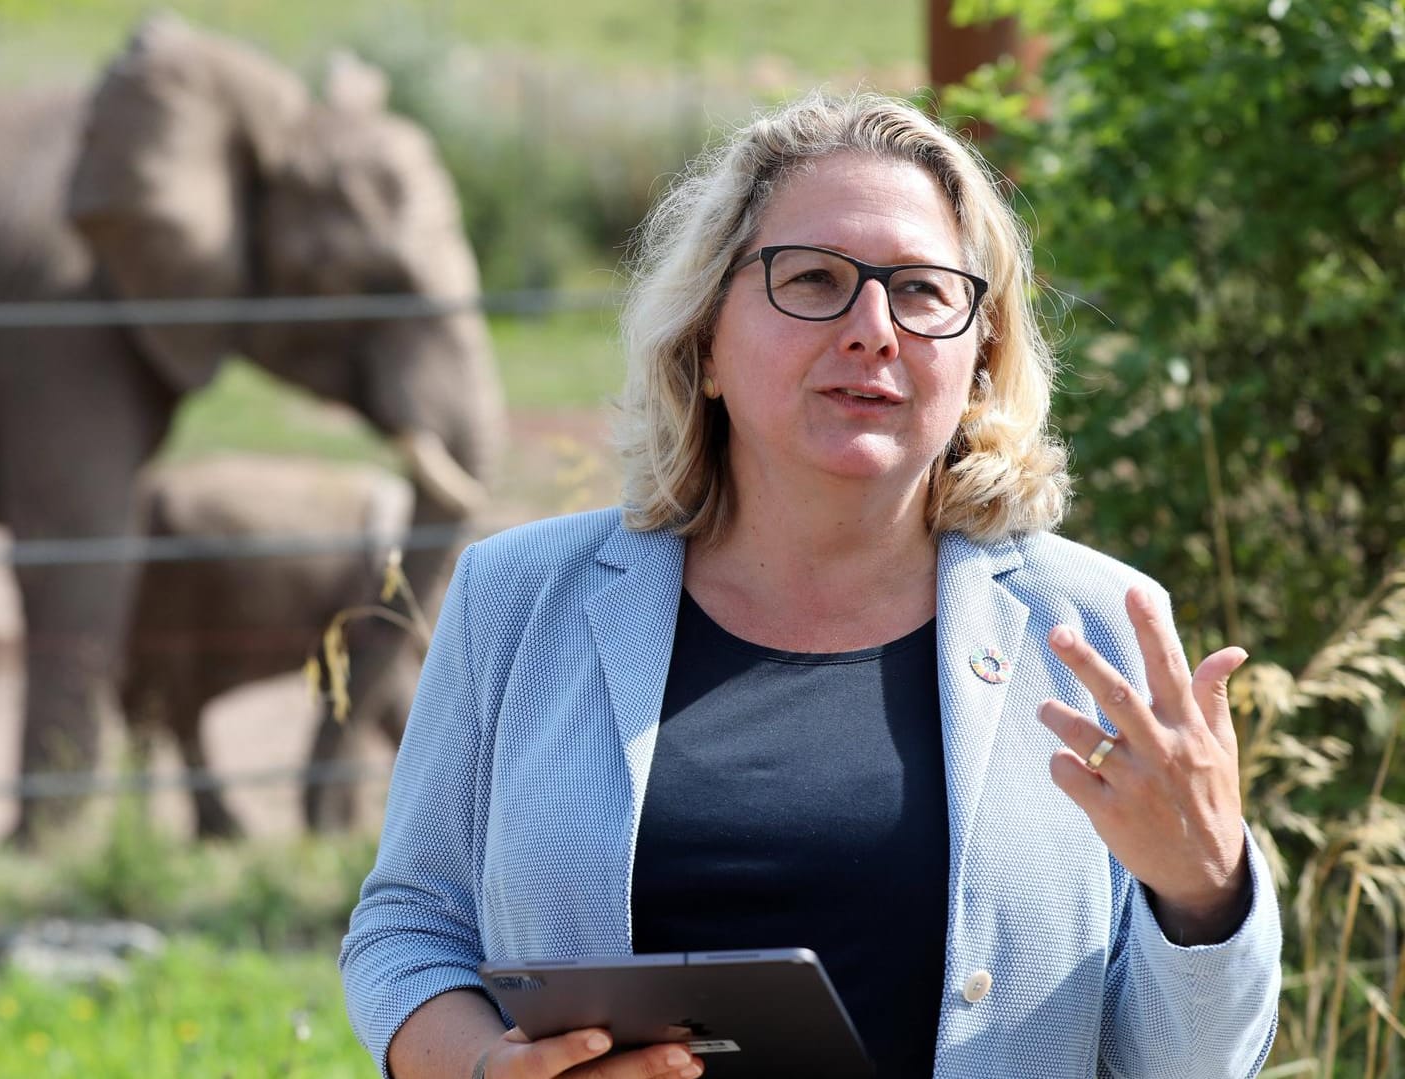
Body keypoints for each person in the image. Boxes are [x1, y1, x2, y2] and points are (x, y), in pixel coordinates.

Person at [340, 91, 1281, 1079]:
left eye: (922, 290)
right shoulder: (517, 597)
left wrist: (1207, 894)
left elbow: (1182, 1064)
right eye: (815, 278)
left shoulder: (1096, 627)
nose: (873, 327)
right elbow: (410, 925)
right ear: (704, 340)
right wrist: (490, 1067)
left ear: (982, 356)